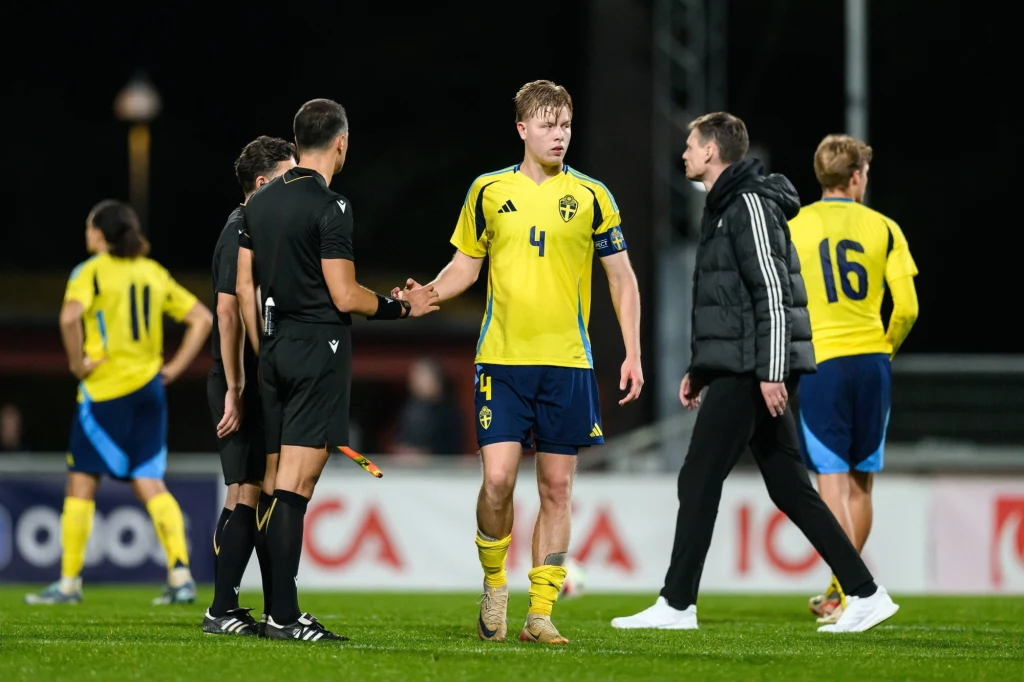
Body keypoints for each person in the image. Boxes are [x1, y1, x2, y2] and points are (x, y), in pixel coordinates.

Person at [610, 112, 898, 633]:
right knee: (790, 488)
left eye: (692, 146)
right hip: (742, 363)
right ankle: (866, 592)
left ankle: (676, 604)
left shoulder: (747, 204)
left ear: (713, 153)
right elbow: (729, 301)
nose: (684, 154)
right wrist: (700, 369)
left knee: (699, 474)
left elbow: (772, 290)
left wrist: (769, 371)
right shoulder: (725, 205)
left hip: (752, 368)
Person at [394, 80, 644, 645]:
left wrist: (632, 350)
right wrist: (428, 295)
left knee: (557, 488)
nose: (559, 136)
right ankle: (494, 587)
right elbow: (465, 267)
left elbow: (622, 277)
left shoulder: (593, 196)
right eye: (549, 125)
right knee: (500, 480)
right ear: (522, 129)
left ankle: (541, 614)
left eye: (566, 126)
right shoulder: (487, 191)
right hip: (502, 361)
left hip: (567, 363)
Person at [236, 98, 439, 642]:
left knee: (277, 484)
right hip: (315, 350)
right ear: (341, 143)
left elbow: (246, 291)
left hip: (275, 351)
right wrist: (402, 307)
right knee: (294, 491)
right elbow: (345, 295)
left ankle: (279, 611)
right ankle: (283, 615)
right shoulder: (332, 206)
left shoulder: (257, 205)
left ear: (297, 140)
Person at [26, 200, 212, 605]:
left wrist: (77, 364)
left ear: (99, 234)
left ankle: (69, 584)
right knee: (149, 479)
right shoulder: (152, 272)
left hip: (105, 391)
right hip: (149, 390)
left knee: (80, 483)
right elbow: (202, 318)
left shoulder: (90, 272)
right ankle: (181, 575)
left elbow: (68, 318)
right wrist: (176, 368)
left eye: (90, 226)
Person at [788, 134, 919, 624]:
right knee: (863, 483)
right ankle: (843, 592)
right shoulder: (884, 228)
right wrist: (885, 348)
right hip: (871, 361)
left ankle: (854, 595)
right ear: (857, 176)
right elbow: (906, 308)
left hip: (824, 361)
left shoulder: (796, 226)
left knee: (831, 483)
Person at [202, 136, 297, 636]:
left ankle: (246, 609)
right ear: (262, 185)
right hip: (236, 379)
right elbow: (226, 309)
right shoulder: (239, 227)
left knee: (254, 493)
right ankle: (220, 610)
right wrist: (237, 387)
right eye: (287, 176)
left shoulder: (255, 228)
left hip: (248, 379)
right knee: (242, 493)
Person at [392, 358, 464, 457]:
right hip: (409, 469)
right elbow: (401, 438)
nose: (415, 382)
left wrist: (425, 454)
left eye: (420, 377)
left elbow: (453, 447)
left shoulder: (449, 413)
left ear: (436, 380)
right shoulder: (409, 409)